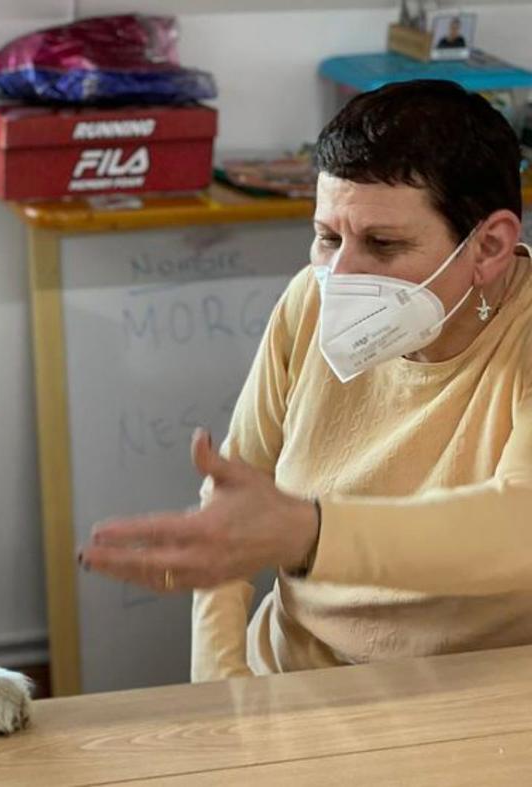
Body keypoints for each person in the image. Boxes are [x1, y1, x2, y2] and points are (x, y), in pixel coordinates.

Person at [78, 79, 532, 680]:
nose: (340, 275)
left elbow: (516, 528)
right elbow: (235, 505)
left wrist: (308, 533)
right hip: (293, 673)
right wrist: (221, 686)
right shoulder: (309, 302)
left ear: (490, 246)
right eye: (327, 237)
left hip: (468, 698)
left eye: (383, 244)